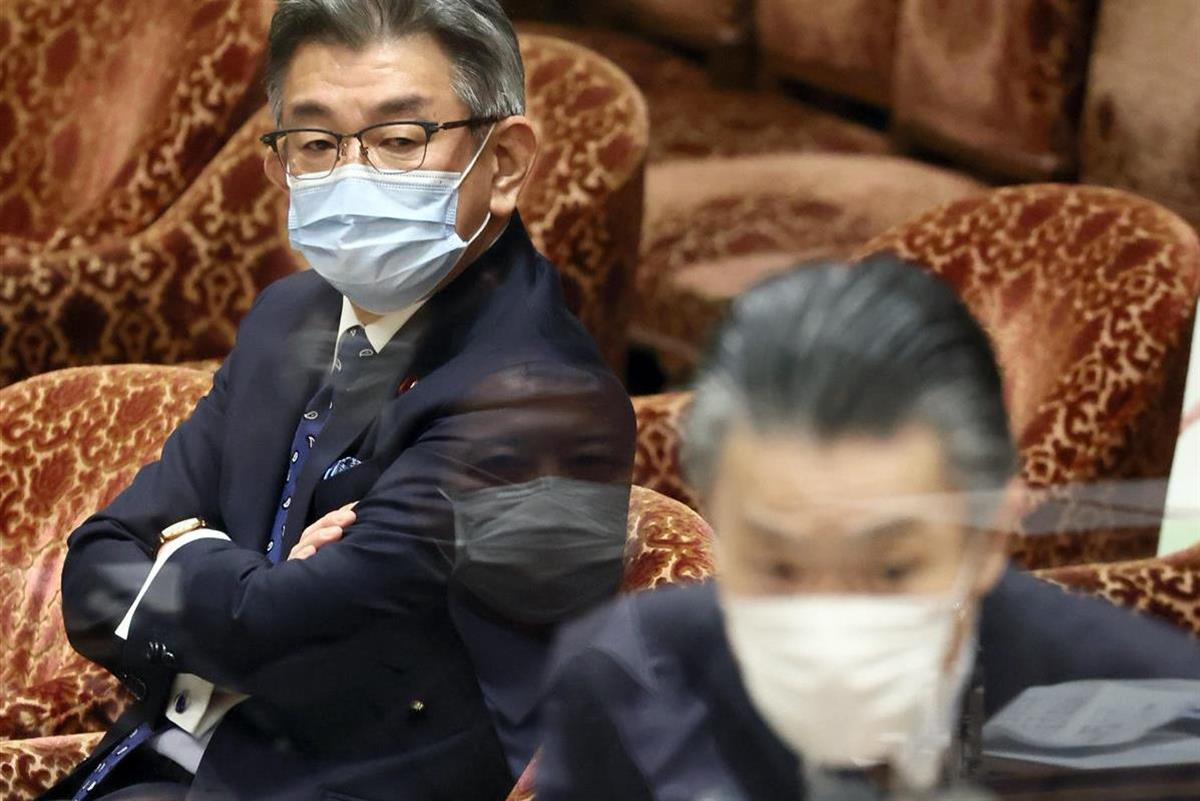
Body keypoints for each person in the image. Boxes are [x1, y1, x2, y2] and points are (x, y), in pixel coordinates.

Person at [48, 1, 634, 799]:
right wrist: (251, 583)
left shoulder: (541, 398)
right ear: (279, 168)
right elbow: (94, 567)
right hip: (166, 760)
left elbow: (291, 634)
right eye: (318, 143)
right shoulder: (289, 317)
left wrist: (188, 557)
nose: (353, 177)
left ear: (503, 163)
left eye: (399, 140)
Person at [536, 258, 1200, 801]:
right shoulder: (623, 682)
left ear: (992, 534)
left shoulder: (1144, 731)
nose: (827, 633)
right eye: (779, 567)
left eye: (890, 571)